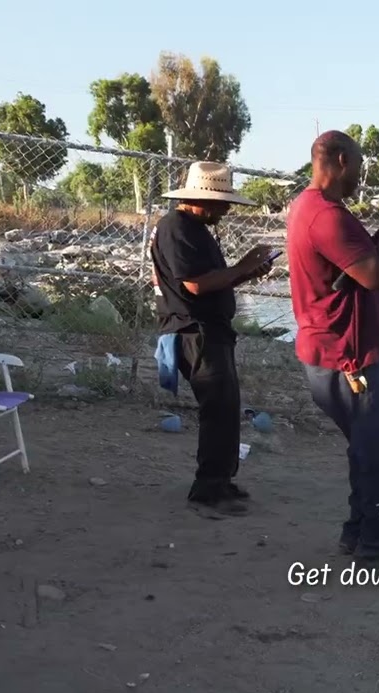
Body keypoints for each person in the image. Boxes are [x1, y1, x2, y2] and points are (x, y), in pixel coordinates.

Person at [286, 130, 379, 572]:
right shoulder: (325, 215)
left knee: (367, 450)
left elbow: (357, 265)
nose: (361, 175)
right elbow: (374, 275)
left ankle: (358, 533)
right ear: (342, 160)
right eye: (360, 165)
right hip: (350, 358)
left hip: (333, 354)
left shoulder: (310, 208)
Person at [150, 161, 275, 517]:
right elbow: (195, 284)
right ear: (200, 199)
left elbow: (212, 280)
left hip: (209, 329)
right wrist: (242, 268)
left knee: (226, 408)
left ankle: (220, 481)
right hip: (195, 331)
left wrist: (245, 273)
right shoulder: (176, 227)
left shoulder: (194, 228)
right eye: (221, 203)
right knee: (218, 410)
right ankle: (207, 491)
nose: (225, 210)